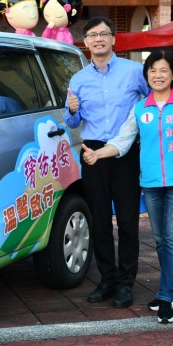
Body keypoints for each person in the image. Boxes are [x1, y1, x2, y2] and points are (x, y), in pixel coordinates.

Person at [82, 50, 173, 324]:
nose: (158, 75)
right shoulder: (140, 108)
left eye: (164, 70)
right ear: (146, 76)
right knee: (160, 240)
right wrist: (98, 154)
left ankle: (165, 297)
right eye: (152, 71)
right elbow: (123, 140)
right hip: (151, 183)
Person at [63, 16, 149, 308]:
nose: (98, 39)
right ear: (86, 42)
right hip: (93, 152)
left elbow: (152, 100)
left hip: (126, 152)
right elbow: (72, 121)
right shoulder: (79, 79)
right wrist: (72, 110)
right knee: (99, 220)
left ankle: (125, 283)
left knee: (127, 221)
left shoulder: (134, 71)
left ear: (113, 39)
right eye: (92, 35)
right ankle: (107, 279)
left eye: (103, 34)